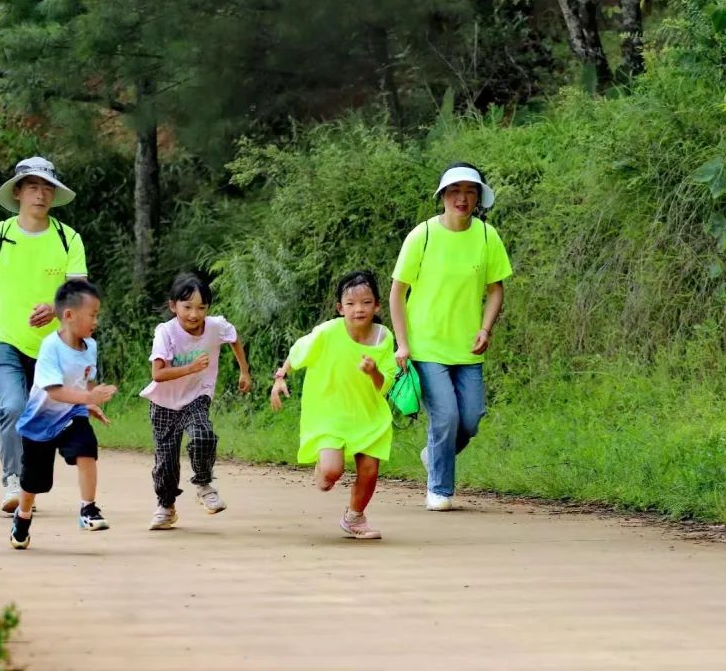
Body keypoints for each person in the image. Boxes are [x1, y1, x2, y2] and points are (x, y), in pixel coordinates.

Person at [0, 157, 88, 513]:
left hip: (51, 346)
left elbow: (78, 288)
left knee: (42, 416)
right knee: (13, 406)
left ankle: (29, 481)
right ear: (17, 192)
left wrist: (55, 306)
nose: (40, 194)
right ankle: (12, 481)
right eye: (33, 186)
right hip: (5, 338)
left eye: (47, 187)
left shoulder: (67, 239)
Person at [389, 162, 512, 511]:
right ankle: (439, 490)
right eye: (455, 191)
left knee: (470, 419)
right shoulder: (422, 236)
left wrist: (485, 329)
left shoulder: (488, 237)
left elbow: (496, 290)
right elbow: (397, 293)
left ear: (479, 197)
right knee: (446, 416)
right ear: (443, 195)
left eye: (470, 191)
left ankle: (434, 454)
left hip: (467, 347)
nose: (463, 198)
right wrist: (403, 343)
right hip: (427, 346)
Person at [270, 270, 396, 540]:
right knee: (329, 475)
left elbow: (385, 384)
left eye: (365, 302)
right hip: (329, 412)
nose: (358, 309)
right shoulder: (327, 332)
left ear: (377, 305)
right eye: (350, 304)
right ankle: (324, 466)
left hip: (368, 413)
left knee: (370, 470)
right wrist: (280, 377)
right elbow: (298, 351)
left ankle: (354, 517)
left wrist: (373, 371)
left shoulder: (384, 338)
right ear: (340, 308)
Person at [8, 279, 117, 550]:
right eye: (92, 315)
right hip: (40, 422)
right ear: (69, 315)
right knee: (34, 482)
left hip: (72, 414)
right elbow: (55, 391)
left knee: (87, 446)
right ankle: (22, 518)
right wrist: (88, 397)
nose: (96, 322)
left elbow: (86, 379)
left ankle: (88, 509)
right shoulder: (50, 348)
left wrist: (90, 403)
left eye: (97, 315)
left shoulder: (90, 346)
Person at [140, 273, 252, 530]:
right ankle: (166, 506)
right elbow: (157, 373)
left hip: (196, 396)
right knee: (166, 463)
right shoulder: (165, 332)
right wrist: (191, 368)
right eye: (187, 307)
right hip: (163, 403)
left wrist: (244, 371)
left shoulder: (215, 326)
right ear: (173, 306)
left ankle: (204, 485)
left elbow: (233, 338)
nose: (194, 314)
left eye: (201, 308)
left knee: (203, 435)